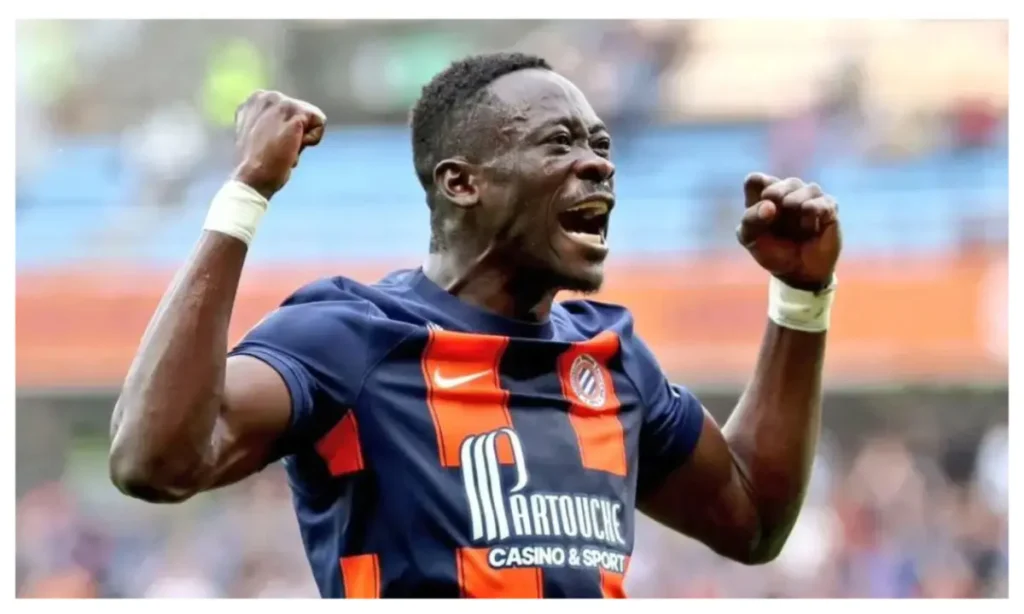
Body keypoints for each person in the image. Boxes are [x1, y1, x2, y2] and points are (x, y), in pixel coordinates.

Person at [109, 52, 842, 599]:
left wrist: (801, 300)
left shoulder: (612, 362)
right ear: (462, 182)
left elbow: (752, 519)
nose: (597, 167)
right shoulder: (353, 337)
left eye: (602, 147)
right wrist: (246, 194)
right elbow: (154, 459)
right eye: (559, 143)